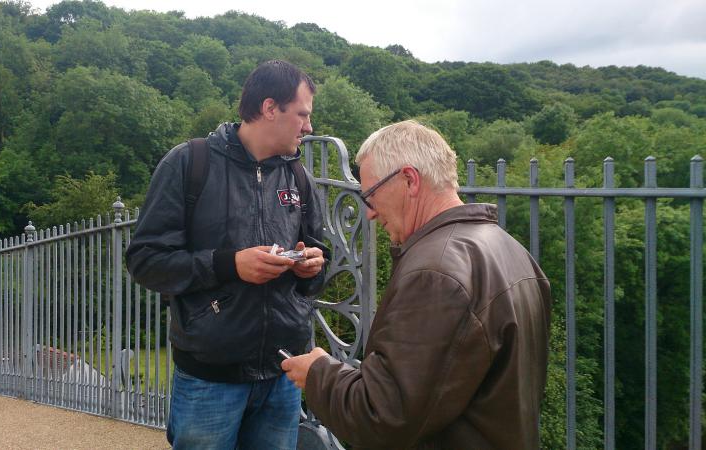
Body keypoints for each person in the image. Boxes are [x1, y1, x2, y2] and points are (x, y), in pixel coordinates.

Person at [282, 120, 551, 449]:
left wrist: (318, 374)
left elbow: (384, 417)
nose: (369, 214)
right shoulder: (510, 250)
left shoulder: (436, 274)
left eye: (370, 196)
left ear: (409, 179)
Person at [126, 60, 328, 449]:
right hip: (210, 377)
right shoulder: (189, 163)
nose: (309, 127)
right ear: (271, 108)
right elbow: (146, 261)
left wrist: (311, 266)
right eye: (302, 114)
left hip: (283, 371)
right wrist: (230, 264)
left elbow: (320, 253)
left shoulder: (298, 176)